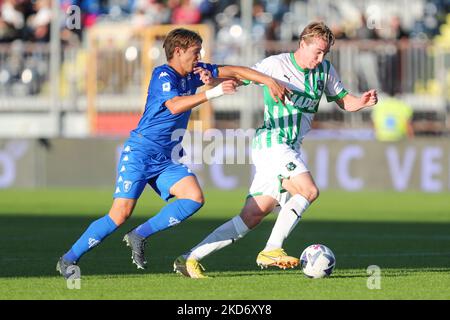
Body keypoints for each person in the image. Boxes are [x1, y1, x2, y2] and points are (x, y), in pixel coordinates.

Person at [56, 28, 288, 279]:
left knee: (193, 198)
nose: (199, 57)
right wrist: (213, 92)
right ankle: (68, 259)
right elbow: (175, 105)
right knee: (120, 213)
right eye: (195, 52)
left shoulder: (194, 73)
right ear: (178, 51)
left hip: (166, 157)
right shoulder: (163, 74)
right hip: (141, 152)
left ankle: (140, 234)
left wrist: (268, 80)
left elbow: (233, 70)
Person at [173, 21, 379, 278]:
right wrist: (213, 79)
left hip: (289, 146)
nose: (320, 57)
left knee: (252, 215)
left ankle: (189, 258)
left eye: (325, 53)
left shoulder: (325, 70)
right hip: (272, 141)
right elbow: (242, 76)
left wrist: (361, 102)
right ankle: (272, 248)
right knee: (308, 190)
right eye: (317, 51)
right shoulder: (276, 65)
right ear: (302, 44)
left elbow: (344, 101)